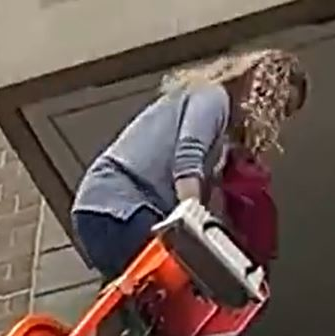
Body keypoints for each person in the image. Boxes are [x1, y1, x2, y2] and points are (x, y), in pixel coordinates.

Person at [70, 47, 309, 282]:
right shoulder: (214, 97)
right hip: (121, 207)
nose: (274, 117)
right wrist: (197, 231)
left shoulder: (220, 130)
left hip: (109, 209)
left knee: (154, 300)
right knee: (181, 283)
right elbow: (187, 159)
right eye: (278, 104)